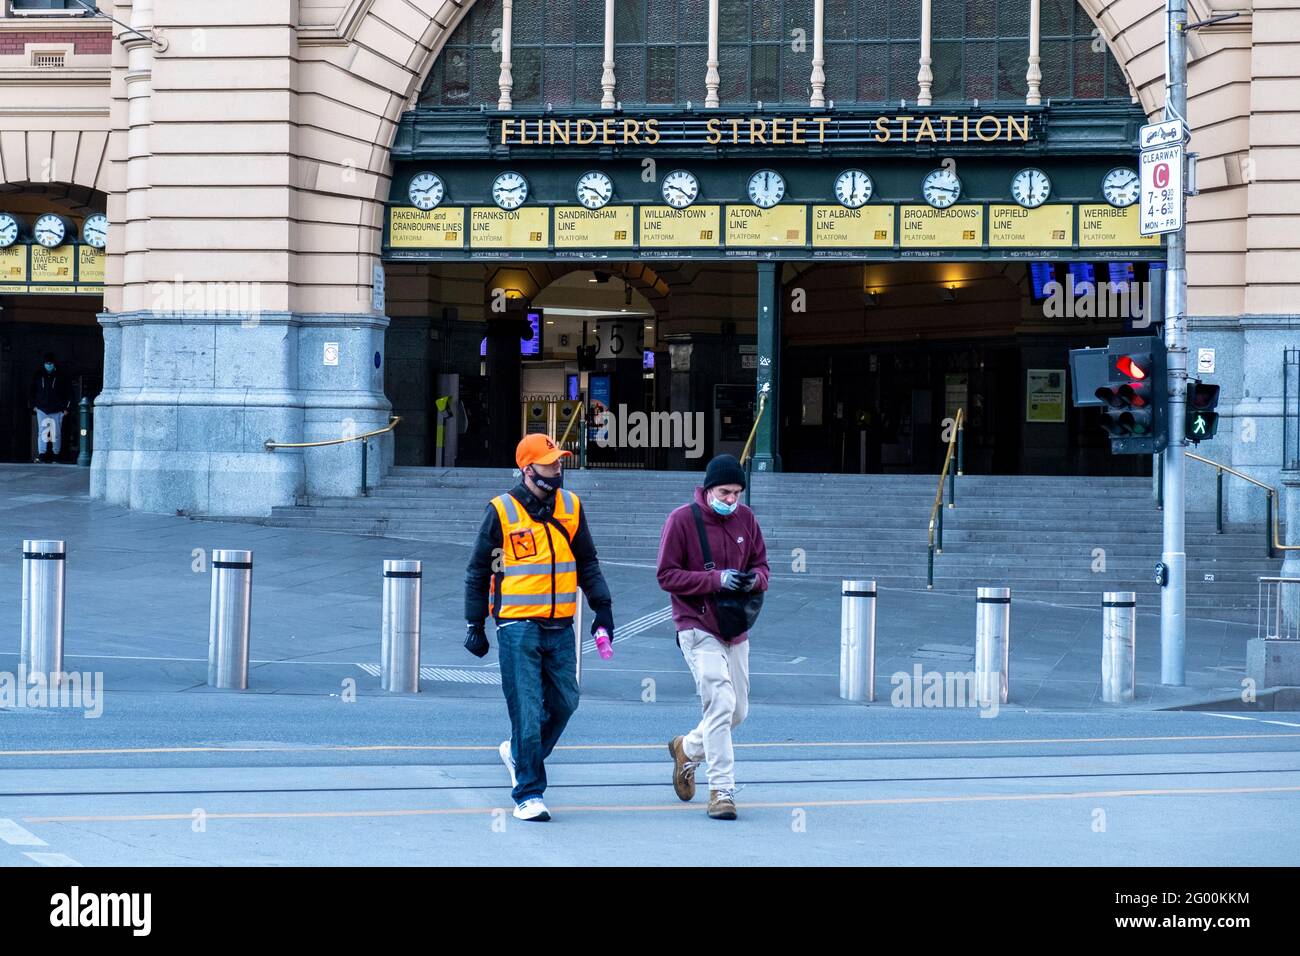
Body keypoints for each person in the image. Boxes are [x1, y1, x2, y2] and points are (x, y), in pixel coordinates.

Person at [463, 433, 614, 822]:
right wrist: (475, 623)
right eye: (550, 463)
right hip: (517, 625)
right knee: (527, 712)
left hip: (561, 625)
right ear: (527, 470)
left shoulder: (571, 507)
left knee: (566, 702)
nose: (558, 469)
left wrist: (603, 609)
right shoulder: (502, 511)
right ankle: (529, 793)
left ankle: (518, 754)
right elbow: (479, 569)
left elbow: (588, 563)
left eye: (560, 462)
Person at [656, 453, 769, 820]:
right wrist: (715, 579)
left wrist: (754, 580)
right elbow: (666, 576)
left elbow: (762, 566)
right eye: (725, 491)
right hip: (696, 625)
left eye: (737, 492)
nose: (732, 499)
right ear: (708, 489)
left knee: (738, 711)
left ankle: (687, 748)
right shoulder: (681, 520)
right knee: (720, 704)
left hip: (735, 628)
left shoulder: (747, 519)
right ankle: (722, 790)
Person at [29, 354, 71, 464]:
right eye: (47, 363)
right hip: (42, 408)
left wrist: (66, 408)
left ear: (54, 364)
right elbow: (32, 391)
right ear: (44, 364)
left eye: (50, 363)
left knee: (56, 433)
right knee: (42, 432)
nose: (48, 365)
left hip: (57, 409)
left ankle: (56, 455)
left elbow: (68, 392)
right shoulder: (38, 375)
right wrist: (33, 405)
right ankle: (42, 455)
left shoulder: (61, 376)